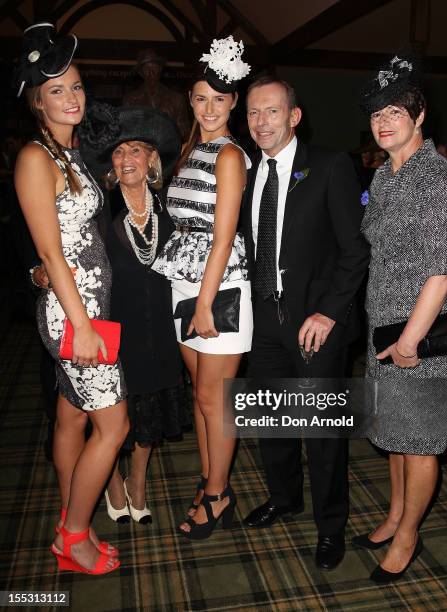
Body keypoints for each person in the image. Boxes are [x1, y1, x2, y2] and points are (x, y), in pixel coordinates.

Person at [241, 76, 370, 571]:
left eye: (272, 111)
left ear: (294, 116)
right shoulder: (250, 172)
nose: (261, 122)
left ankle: (330, 525)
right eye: (253, 112)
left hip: (315, 323)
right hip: (264, 321)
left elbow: (354, 250)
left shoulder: (332, 166)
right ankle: (284, 497)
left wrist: (329, 312)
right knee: (270, 421)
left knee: (321, 433)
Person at [13, 23, 128, 575]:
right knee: (115, 426)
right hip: (73, 316)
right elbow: (52, 254)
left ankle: (68, 514)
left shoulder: (70, 154)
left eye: (77, 86)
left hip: (85, 308)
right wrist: (81, 326)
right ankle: (73, 538)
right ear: (37, 101)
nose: (72, 97)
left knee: (72, 417)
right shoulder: (36, 158)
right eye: (57, 90)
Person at [355, 55, 447, 583]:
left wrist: (410, 341)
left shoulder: (438, 179)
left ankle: (409, 534)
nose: (384, 120)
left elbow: (443, 272)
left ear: (420, 115)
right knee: (394, 433)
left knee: (420, 441)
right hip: (384, 325)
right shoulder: (384, 177)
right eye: (377, 111)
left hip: (423, 334)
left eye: (396, 110)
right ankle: (396, 514)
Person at [153, 36, 252, 539]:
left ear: (234, 101)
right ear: (190, 101)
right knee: (201, 395)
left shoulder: (230, 155)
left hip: (220, 290)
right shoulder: (194, 147)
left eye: (219, 99)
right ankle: (211, 477)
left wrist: (207, 304)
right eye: (200, 98)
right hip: (184, 283)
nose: (209, 108)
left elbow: (224, 235)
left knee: (216, 399)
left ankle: (219, 495)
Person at [78, 104, 186, 523]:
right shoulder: (99, 209)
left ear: (151, 160)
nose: (127, 160)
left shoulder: (168, 207)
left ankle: (137, 478)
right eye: (119, 152)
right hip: (111, 328)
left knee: (150, 416)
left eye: (136, 151)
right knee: (112, 418)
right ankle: (111, 481)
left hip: (158, 327)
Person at [123, 48, 190, 142]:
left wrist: (167, 130)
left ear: (160, 70)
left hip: (169, 150)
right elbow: (126, 130)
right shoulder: (130, 99)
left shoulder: (176, 99)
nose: (151, 73)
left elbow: (184, 131)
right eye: (147, 69)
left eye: (155, 68)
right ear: (141, 73)